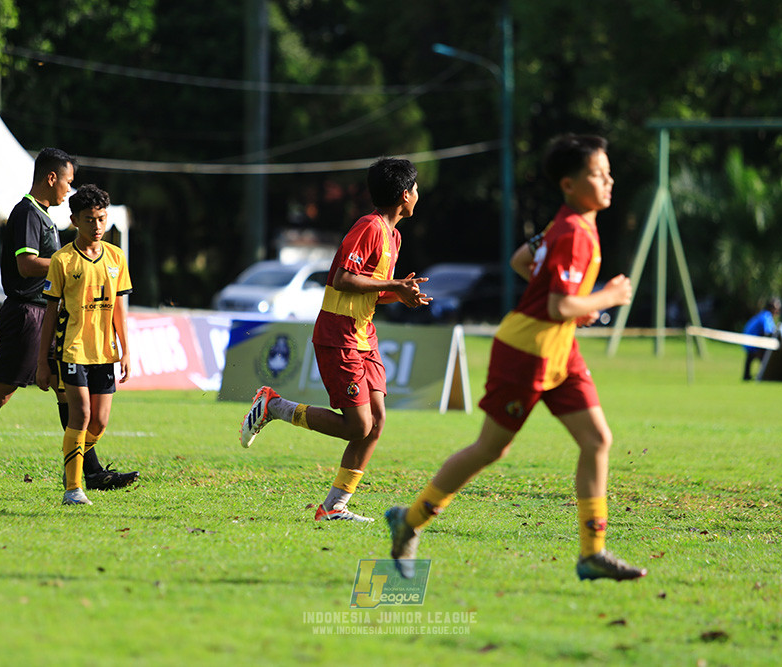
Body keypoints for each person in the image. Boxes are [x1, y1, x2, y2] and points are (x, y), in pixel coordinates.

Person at [385, 134, 647, 581]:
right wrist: (607, 297)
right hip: (526, 351)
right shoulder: (572, 232)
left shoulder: (569, 225)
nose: (608, 180)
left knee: (597, 440)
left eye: (608, 172)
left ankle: (592, 553)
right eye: (597, 174)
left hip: (560, 350)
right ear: (569, 184)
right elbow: (558, 306)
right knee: (491, 448)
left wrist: (576, 305)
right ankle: (409, 521)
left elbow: (523, 259)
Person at [0, 148, 138, 492]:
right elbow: (26, 264)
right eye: (68, 182)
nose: (69, 190)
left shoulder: (43, 215)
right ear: (51, 178)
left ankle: (91, 472)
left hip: (45, 315)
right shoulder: (27, 213)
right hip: (26, 315)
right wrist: (70, 263)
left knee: (66, 394)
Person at [239, 157, 430, 522]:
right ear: (405, 195)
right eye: (416, 189)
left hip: (364, 336)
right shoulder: (369, 227)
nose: (418, 194)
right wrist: (394, 284)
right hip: (339, 336)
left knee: (376, 422)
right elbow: (343, 278)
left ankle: (334, 506)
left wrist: (400, 294)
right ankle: (273, 406)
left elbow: (369, 289)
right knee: (358, 426)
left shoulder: (394, 235)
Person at [36, 184, 133, 506]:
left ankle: (72, 459)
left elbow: (119, 309)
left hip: (104, 352)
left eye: (102, 219)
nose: (97, 226)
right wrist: (42, 360)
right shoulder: (62, 260)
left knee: (100, 422)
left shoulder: (116, 257)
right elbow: (50, 313)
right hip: (73, 349)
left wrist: (125, 351)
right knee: (80, 416)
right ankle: (73, 488)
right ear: (75, 220)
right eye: (90, 220)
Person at [742, 297, 781, 381]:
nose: (777, 311)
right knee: (765, 357)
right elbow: (768, 332)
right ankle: (764, 375)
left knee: (752, 358)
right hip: (753, 342)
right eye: (776, 309)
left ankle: (748, 376)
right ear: (771, 308)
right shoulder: (766, 316)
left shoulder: (764, 315)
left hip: (749, 341)